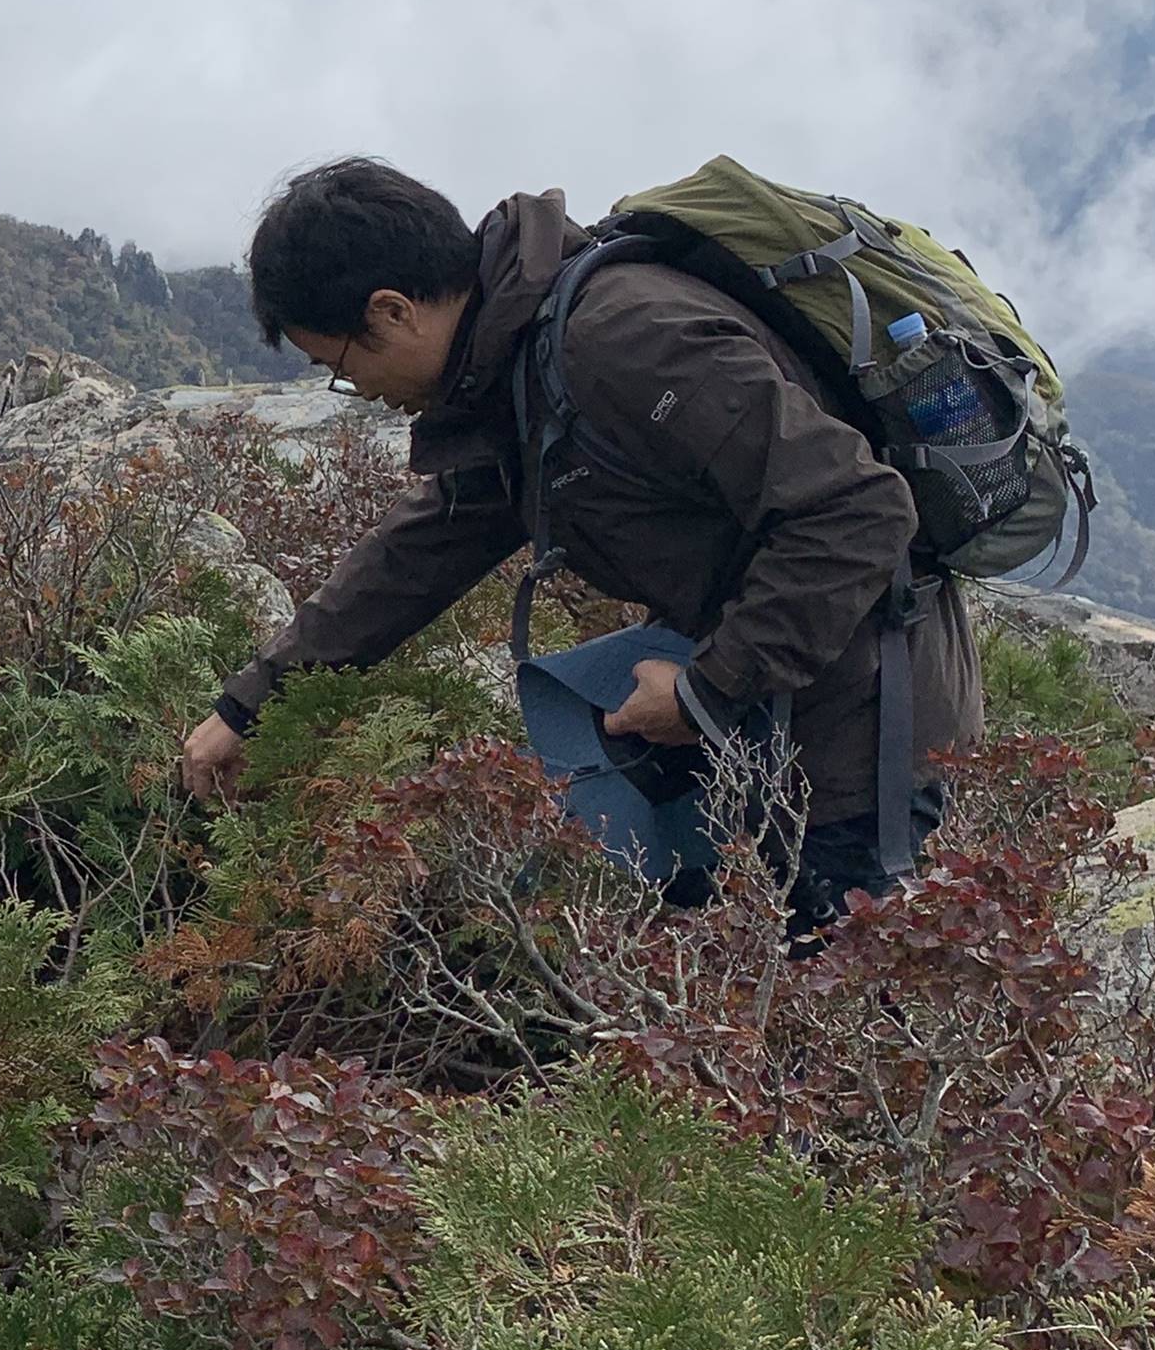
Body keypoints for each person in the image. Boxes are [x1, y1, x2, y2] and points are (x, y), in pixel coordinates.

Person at [175, 159, 981, 928]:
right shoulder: (513, 373)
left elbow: (858, 509)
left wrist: (710, 689)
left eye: (340, 367)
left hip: (864, 734)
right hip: (779, 727)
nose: (359, 394)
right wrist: (249, 706)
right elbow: (415, 557)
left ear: (390, 310)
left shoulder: (621, 340)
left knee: (844, 1036)